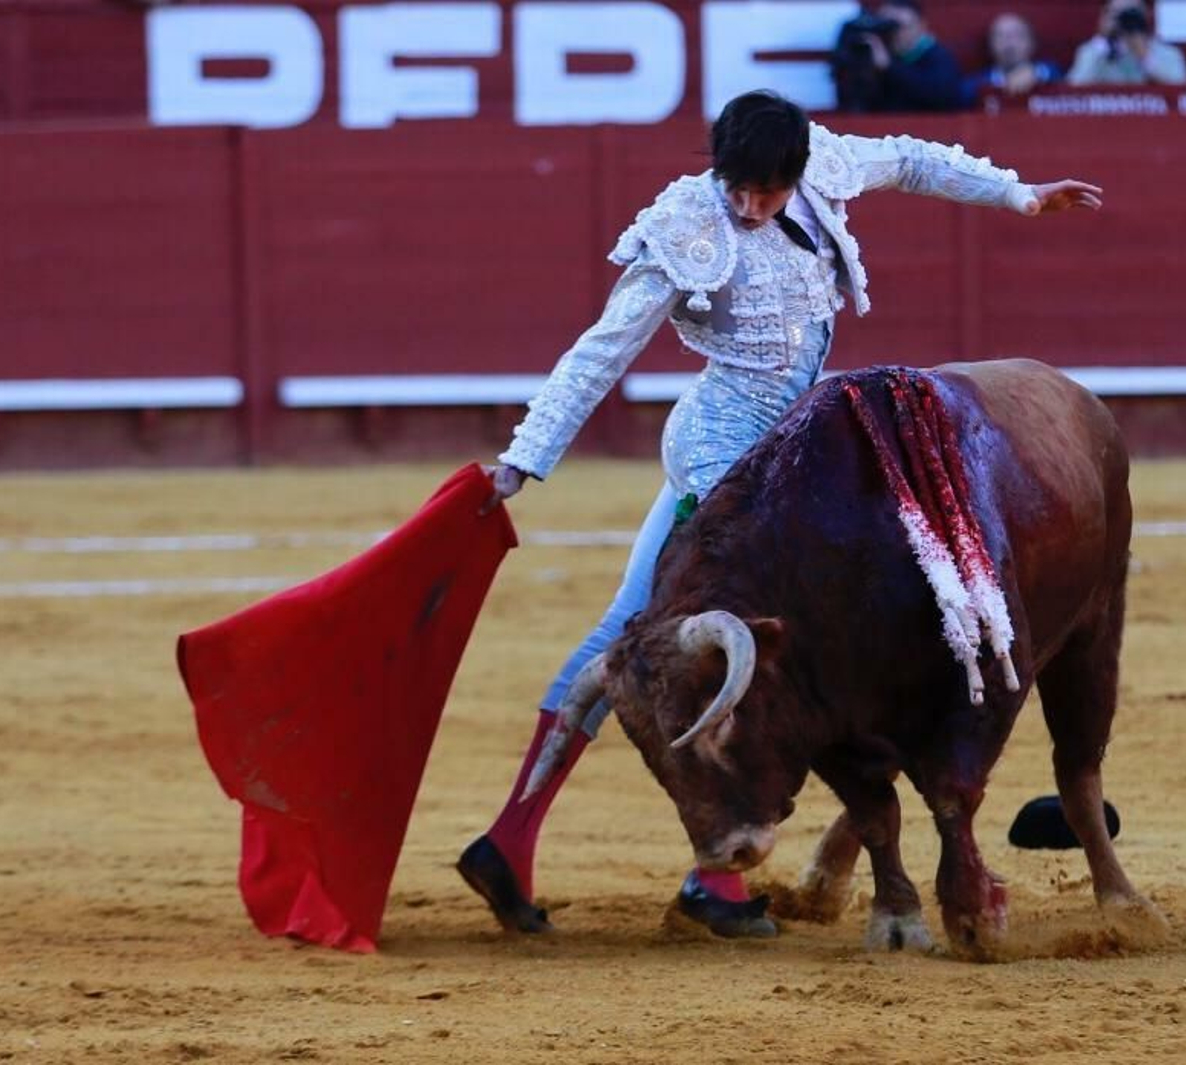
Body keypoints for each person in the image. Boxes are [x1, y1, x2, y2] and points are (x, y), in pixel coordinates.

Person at [457, 90, 1103, 939]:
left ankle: (553, 844)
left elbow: (911, 158)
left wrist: (1016, 195)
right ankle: (661, 866)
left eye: (764, 192)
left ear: (796, 173)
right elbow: (602, 348)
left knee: (710, 640)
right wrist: (526, 456)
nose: (747, 206)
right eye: (736, 187)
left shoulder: (825, 163)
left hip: (794, 454)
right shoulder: (688, 226)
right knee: (670, 636)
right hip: (723, 462)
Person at [832, 0, 966, 112]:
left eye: (899, 26)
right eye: (887, 25)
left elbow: (941, 96)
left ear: (921, 26)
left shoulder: (938, 56)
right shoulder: (873, 52)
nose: (893, 33)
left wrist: (889, 67)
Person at [1067, 0, 1186, 86]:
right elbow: (1073, 90)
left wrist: (1145, 57)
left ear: (1146, 14)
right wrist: (1103, 41)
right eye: (1118, 14)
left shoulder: (1169, 54)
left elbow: (1182, 93)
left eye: (1131, 13)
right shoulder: (1090, 52)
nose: (1126, 20)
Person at [960, 12, 1063, 109]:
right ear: (990, 45)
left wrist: (1035, 72)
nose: (1009, 43)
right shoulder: (975, 85)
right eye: (1000, 36)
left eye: (1017, 35)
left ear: (1031, 43)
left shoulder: (1048, 71)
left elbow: (1059, 76)